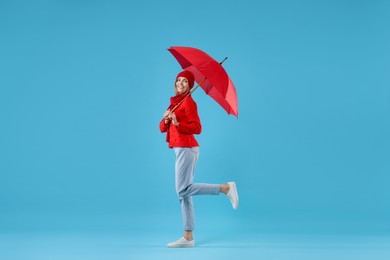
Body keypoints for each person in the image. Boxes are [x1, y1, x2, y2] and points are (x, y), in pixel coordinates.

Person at [159, 70, 239, 248]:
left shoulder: (189, 102)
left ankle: (225, 188)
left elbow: (197, 127)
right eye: (178, 80)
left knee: (182, 190)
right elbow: (162, 128)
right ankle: (188, 237)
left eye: (185, 82)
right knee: (184, 195)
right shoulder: (174, 102)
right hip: (180, 149)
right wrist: (166, 119)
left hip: (188, 148)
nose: (180, 83)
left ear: (190, 85)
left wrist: (178, 124)